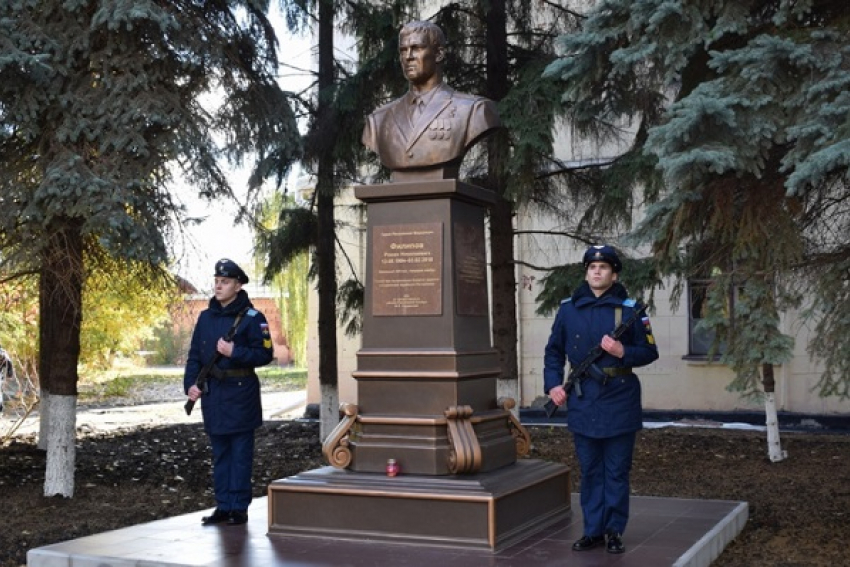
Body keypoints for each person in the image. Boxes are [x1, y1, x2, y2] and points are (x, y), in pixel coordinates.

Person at [543, 245, 658, 554]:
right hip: (583, 400)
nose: (597, 271)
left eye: (604, 267)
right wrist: (553, 385)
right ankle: (592, 530)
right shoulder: (568, 309)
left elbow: (650, 351)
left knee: (617, 470)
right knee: (591, 469)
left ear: (614, 273)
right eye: (592, 267)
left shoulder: (631, 310)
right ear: (586, 272)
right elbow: (554, 351)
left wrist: (624, 352)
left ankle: (614, 531)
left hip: (619, 399)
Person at [184, 259, 274, 526]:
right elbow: (194, 357)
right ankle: (223, 506)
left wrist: (235, 352)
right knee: (220, 454)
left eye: (224, 282)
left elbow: (265, 353)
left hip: (240, 395)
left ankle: (239, 508)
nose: (218, 286)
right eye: (216, 282)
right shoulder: (205, 317)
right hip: (213, 397)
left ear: (238, 285)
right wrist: (190, 385)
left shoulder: (253, 318)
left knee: (240, 455)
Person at [361, 20, 501, 181]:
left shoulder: (474, 110)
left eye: (417, 48)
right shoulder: (378, 121)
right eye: (403, 50)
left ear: (439, 54)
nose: (408, 57)